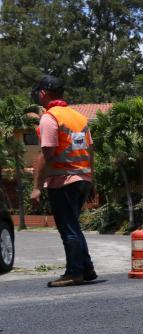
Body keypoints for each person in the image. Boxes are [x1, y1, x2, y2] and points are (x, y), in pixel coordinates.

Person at [29, 75, 97, 287]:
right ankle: (86, 268)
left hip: (63, 180)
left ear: (42, 94)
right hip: (82, 178)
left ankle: (74, 272)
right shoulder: (78, 118)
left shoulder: (50, 117)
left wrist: (36, 187)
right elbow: (90, 151)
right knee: (73, 226)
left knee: (68, 228)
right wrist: (91, 179)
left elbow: (45, 154)